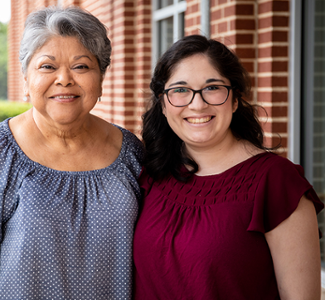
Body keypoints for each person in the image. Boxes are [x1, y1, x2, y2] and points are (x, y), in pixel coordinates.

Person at [0, 6, 143, 299]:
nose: (64, 79)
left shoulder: (131, 154)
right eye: (47, 66)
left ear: (101, 79)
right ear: (26, 79)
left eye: (81, 66)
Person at [133, 35, 324, 300]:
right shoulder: (151, 174)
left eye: (212, 88)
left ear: (235, 100)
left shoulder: (276, 181)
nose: (197, 104)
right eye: (180, 90)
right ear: (163, 105)